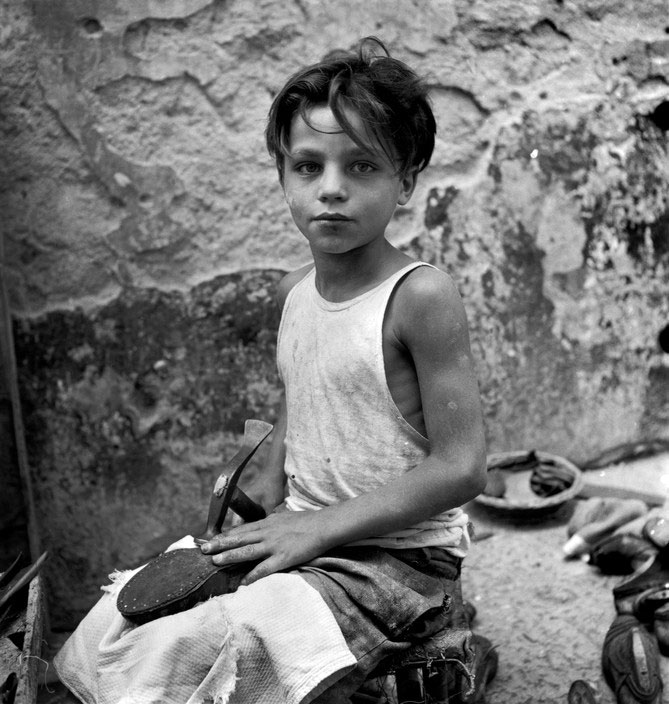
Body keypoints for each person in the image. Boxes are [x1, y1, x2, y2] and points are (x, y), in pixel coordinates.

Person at [54, 36, 487, 704]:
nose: (332, 190)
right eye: (307, 167)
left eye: (362, 166)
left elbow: (461, 468)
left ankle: (427, 645)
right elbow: (298, 420)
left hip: (398, 558)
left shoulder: (419, 297)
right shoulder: (292, 293)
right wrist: (251, 516)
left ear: (405, 180)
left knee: (206, 652)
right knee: (114, 624)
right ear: (282, 174)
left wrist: (312, 529)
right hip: (303, 528)